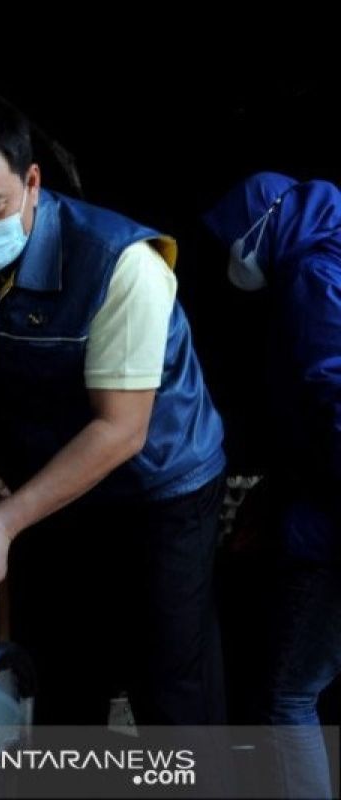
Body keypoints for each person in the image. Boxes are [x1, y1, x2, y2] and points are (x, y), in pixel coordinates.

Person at [0, 102, 226, 724]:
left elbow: (121, 430)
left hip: (160, 488)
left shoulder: (120, 263)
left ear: (32, 182)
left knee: (171, 682)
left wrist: (3, 524)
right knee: (62, 670)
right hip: (55, 487)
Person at [205, 172, 341, 796]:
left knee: (288, 698)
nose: (233, 252)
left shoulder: (315, 276)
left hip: (328, 527)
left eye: (236, 237)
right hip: (313, 505)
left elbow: (332, 392)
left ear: (268, 220)